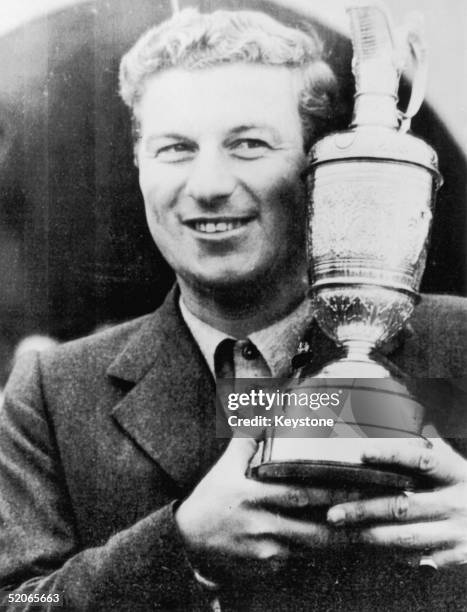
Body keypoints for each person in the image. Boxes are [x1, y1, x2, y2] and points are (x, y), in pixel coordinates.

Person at [0, 8, 466, 611]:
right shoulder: (51, 395)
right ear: (139, 165)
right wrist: (180, 550)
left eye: (248, 144)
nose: (209, 183)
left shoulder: (456, 345)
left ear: (313, 166)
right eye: (175, 148)